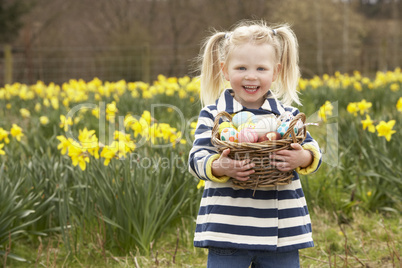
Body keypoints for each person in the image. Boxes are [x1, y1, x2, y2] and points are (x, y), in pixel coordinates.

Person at [188, 20, 322, 268]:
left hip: (282, 233)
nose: (251, 76)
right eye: (241, 68)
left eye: (261, 68)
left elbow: (314, 151)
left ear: (276, 71)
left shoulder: (287, 117)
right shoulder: (214, 115)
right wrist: (220, 166)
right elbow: (196, 159)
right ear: (225, 71)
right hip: (227, 229)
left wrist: (302, 158)